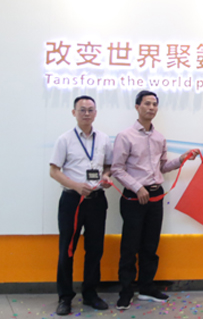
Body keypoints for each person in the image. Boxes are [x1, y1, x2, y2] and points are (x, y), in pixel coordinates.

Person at [111, 90, 199, 310]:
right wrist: (137, 187)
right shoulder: (125, 136)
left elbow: (162, 167)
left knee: (150, 245)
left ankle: (147, 288)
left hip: (155, 195)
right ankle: (126, 291)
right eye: (147, 104)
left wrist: (181, 159)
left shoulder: (159, 138)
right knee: (130, 246)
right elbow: (117, 169)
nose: (151, 108)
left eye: (154, 104)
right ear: (137, 107)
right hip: (134, 197)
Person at [49, 95, 113, 315]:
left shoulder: (103, 139)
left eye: (90, 109)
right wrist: (76, 186)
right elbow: (54, 171)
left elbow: (108, 166)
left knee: (95, 249)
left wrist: (106, 177)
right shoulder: (64, 139)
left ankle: (90, 294)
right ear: (74, 113)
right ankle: (65, 297)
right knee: (67, 249)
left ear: (96, 113)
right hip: (72, 201)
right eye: (82, 109)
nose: (86, 113)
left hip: (97, 201)